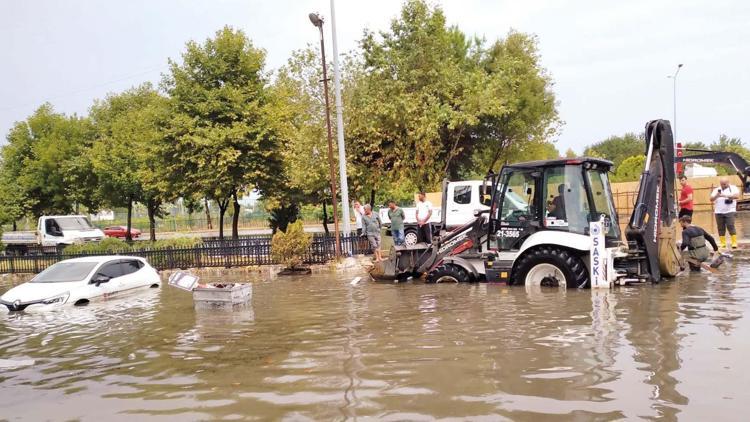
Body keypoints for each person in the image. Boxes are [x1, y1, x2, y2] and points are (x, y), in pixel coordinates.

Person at [710, 176, 740, 249]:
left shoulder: (733, 188)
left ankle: (734, 242)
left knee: (730, 225)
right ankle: (722, 243)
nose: (723, 185)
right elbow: (711, 199)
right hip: (718, 212)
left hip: (730, 211)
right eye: (721, 184)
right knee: (720, 228)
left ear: (728, 183)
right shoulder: (717, 190)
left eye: (724, 184)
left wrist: (725, 195)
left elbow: (737, 196)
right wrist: (717, 195)